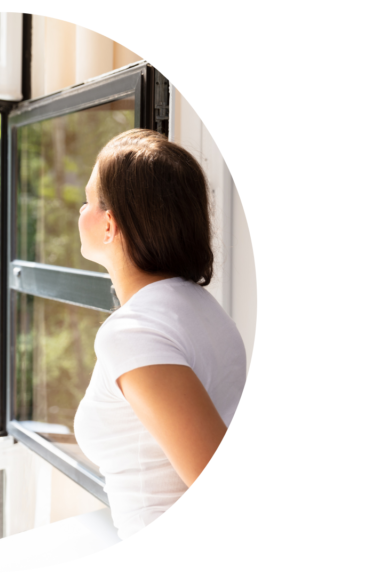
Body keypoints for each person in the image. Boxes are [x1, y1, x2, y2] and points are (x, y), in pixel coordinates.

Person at [72, 128, 247, 540]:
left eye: (87, 201)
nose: (80, 213)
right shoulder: (202, 308)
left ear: (110, 224)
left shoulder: (133, 332)